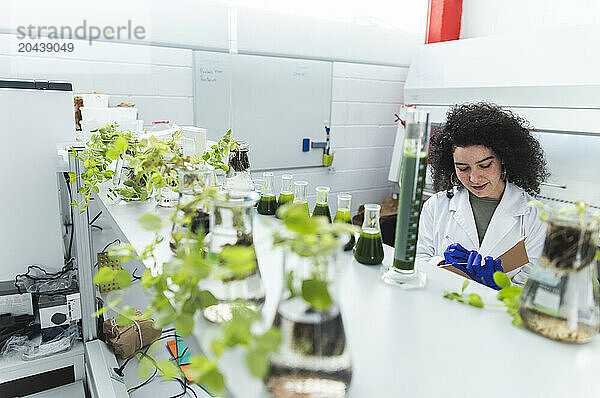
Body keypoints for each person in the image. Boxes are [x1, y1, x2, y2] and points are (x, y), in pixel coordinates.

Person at [415, 103, 549, 288]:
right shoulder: (436, 206)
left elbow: (531, 288)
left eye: (485, 165)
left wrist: (500, 285)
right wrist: (440, 264)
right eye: (463, 168)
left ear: (503, 157)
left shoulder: (535, 216)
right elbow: (418, 262)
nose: (474, 178)